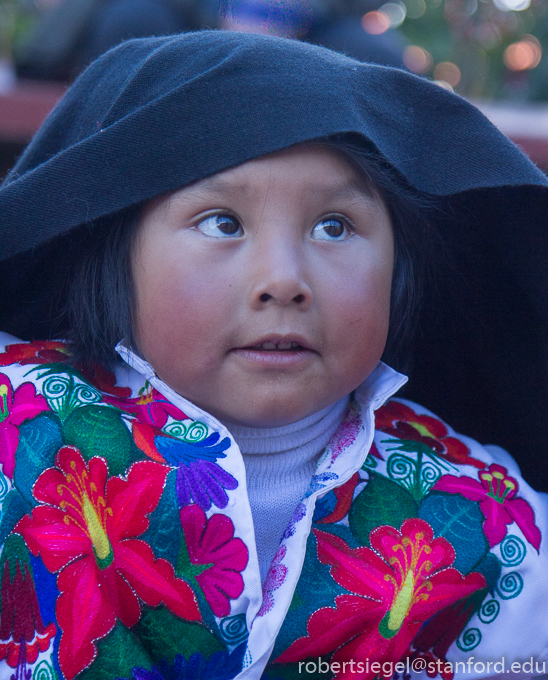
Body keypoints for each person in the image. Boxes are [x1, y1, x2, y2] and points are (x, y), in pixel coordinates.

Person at [0, 30, 547, 680]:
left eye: (334, 226)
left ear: (400, 275)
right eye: (222, 222)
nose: (283, 279)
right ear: (114, 258)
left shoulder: (493, 530)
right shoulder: (19, 435)